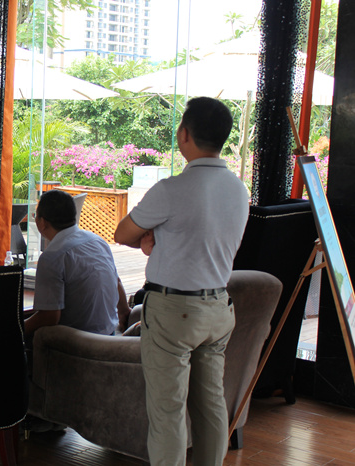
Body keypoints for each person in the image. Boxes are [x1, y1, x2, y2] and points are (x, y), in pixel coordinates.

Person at [114, 97, 249, 466]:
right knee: (211, 405)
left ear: (184, 134)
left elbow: (122, 233)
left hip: (174, 311)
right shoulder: (238, 190)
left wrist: (150, 236)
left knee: (168, 411)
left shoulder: (170, 189)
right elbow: (203, 237)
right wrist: (159, 238)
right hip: (218, 308)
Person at [24, 189, 131, 340]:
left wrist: (15, 329)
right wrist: (124, 312)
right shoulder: (97, 241)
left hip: (78, 344)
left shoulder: (53, 256)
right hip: (109, 336)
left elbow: (50, 317)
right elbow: (116, 282)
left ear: (42, 223)